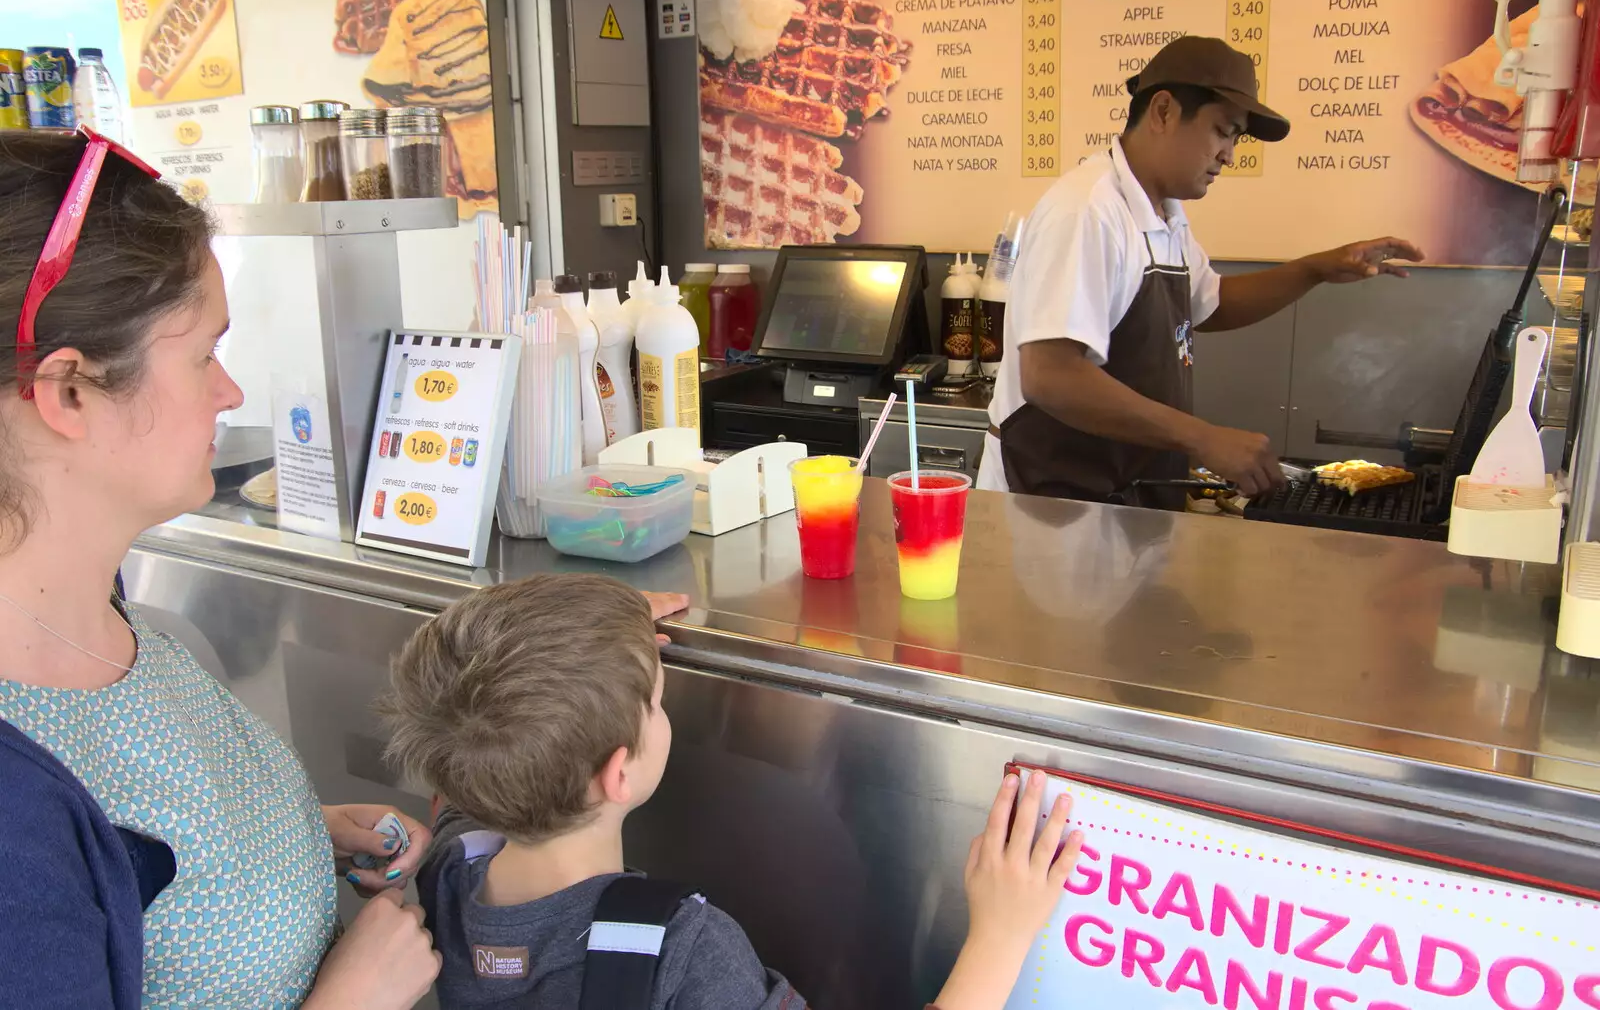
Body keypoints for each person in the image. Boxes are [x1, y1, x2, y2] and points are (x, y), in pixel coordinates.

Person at [0, 128, 688, 1008]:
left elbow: (149, 866)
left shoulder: (97, 603)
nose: (231, 391)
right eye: (204, 354)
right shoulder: (13, 807)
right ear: (68, 391)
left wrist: (296, 837)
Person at [381, 574, 1085, 1010]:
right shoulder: (684, 950)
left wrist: (597, 631)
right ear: (618, 771)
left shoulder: (449, 865)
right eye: (655, 699)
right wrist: (1001, 930)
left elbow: (476, 702)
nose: (662, 705)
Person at [979, 35, 1426, 507]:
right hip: (1052, 500)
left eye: (1235, 137)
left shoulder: (1164, 212)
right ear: (1164, 111)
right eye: (1222, 130)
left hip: (1122, 492)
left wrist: (1315, 269)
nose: (1229, 154)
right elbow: (1051, 376)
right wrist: (1203, 438)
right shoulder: (1088, 210)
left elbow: (1209, 305)